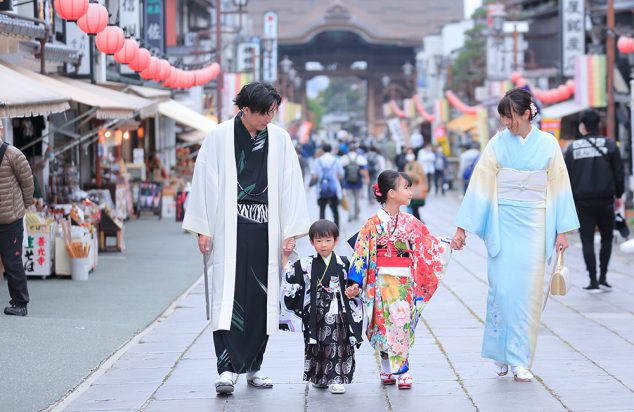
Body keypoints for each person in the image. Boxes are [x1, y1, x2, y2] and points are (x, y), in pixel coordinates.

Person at [182, 82, 310, 394]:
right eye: (265, 112)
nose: (270, 118)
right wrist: (204, 228)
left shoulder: (279, 139)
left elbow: (291, 184)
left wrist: (290, 231)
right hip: (230, 227)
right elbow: (205, 182)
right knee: (228, 299)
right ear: (245, 110)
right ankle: (226, 368)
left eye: (273, 112)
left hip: (267, 229)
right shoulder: (218, 137)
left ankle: (254, 366)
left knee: (261, 299)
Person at [451, 88, 579, 383]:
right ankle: (499, 351)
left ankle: (520, 358)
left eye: (510, 116)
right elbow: (480, 184)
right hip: (504, 223)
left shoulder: (548, 144)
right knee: (502, 290)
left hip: (536, 224)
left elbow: (560, 186)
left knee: (528, 293)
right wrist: (462, 227)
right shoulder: (497, 143)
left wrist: (562, 231)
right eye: (503, 117)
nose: (506, 123)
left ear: (526, 113)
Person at [348, 170, 450, 389]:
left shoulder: (411, 222)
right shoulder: (372, 224)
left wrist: (450, 244)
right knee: (381, 325)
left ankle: (402, 369)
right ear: (392, 193)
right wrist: (354, 281)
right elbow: (361, 251)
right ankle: (386, 366)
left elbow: (429, 243)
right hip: (379, 281)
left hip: (403, 282)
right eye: (406, 187)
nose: (411, 191)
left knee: (400, 324)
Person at [279, 220, 363, 395]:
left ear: (336, 240)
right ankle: (319, 378)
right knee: (318, 345)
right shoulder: (305, 264)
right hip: (316, 313)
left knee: (339, 343)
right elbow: (289, 275)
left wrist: (354, 289)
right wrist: (285, 256)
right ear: (311, 242)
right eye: (318, 241)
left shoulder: (344, 262)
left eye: (327, 240)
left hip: (339, 311)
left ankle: (337, 379)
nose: (323, 245)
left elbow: (355, 282)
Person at [565, 109, 625, 292]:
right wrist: (619, 195)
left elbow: (566, 176)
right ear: (599, 125)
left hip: (582, 202)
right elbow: (619, 173)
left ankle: (592, 280)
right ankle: (603, 277)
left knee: (587, 240)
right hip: (606, 199)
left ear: (582, 125)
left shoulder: (573, 148)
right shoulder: (609, 145)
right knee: (607, 239)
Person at [0, 121, 34, 317]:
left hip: (11, 220)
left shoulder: (14, 154)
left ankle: (20, 303)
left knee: (12, 263)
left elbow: (28, 183)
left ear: (1, 131)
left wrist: (23, 206)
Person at [311, 144, 343, 227]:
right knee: (335, 209)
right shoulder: (336, 160)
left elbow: (314, 176)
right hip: (334, 188)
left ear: (323, 150)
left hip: (321, 188)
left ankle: (322, 228)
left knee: (322, 209)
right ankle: (336, 227)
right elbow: (341, 174)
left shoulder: (317, 161)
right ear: (331, 150)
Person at [340, 145, 370, 222]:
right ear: (355, 150)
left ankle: (350, 214)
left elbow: (340, 171)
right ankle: (357, 214)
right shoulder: (360, 158)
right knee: (357, 199)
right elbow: (365, 169)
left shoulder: (344, 158)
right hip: (358, 182)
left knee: (350, 200)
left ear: (348, 150)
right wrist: (367, 178)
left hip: (347, 183)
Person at [403, 148, 428, 222]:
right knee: (411, 207)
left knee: (415, 207)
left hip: (416, 188)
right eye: (408, 154)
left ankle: (418, 221)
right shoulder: (407, 165)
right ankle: (416, 221)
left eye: (411, 153)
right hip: (409, 188)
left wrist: (412, 174)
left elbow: (422, 176)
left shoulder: (418, 164)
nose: (409, 155)